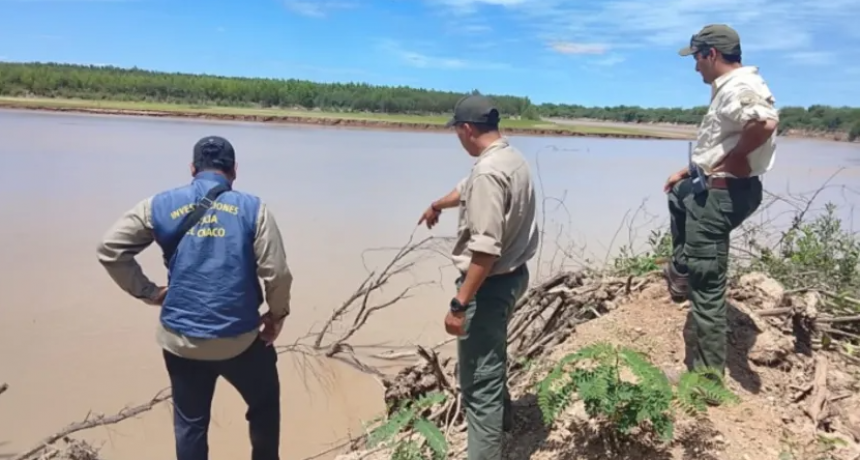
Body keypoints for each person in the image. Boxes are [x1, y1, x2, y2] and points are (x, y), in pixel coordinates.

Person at [96, 135, 293, 460]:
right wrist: (276, 317)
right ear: (234, 170)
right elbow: (278, 274)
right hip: (240, 340)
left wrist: (150, 292)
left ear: (192, 168)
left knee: (190, 425)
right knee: (265, 403)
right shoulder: (254, 209)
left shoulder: (157, 205)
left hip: (181, 341)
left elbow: (110, 249)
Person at [418, 95, 539, 460]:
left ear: (467, 129)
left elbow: (485, 251)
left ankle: (486, 450)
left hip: (488, 286)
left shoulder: (488, 172)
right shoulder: (509, 158)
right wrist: (438, 204)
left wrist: (459, 304)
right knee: (490, 354)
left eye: (456, 130)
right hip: (514, 277)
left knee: (478, 381)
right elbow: (467, 188)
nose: (457, 136)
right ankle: (505, 424)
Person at [663, 24, 779, 376]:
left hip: (721, 195)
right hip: (714, 187)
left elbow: (764, 122)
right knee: (678, 195)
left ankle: (706, 378)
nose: (695, 65)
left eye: (697, 58)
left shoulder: (740, 87)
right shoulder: (729, 86)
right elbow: (724, 138)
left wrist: (736, 159)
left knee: (707, 288)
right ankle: (681, 269)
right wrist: (694, 169)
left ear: (711, 54)